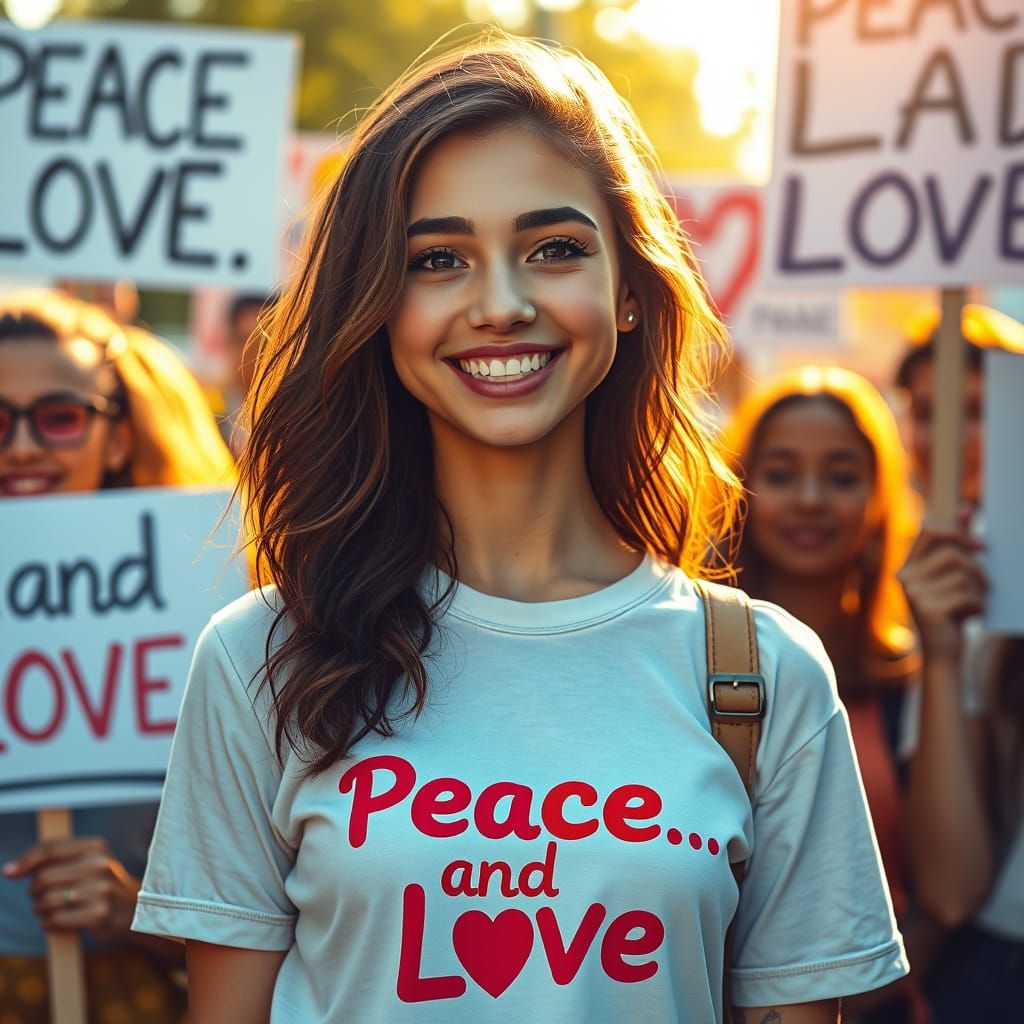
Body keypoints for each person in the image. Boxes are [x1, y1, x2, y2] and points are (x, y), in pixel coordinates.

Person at [133, 33, 908, 1023]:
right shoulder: (262, 658)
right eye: (438, 259)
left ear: (627, 291)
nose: (499, 304)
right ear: (378, 305)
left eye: (554, 249)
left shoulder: (760, 675)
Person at [0, 289, 236, 1023]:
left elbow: (266, 916)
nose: (25, 446)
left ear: (120, 437)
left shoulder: (210, 617)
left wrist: (133, 908)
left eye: (61, 417)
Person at [722, 366, 934, 1024]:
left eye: (842, 476)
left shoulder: (914, 678)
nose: (811, 499)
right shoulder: (688, 665)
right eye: (781, 474)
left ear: (879, 497)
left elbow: (949, 896)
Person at [895, 309, 1024, 1021]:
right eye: (927, 412)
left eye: (977, 412)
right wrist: (942, 657)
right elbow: (950, 888)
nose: (950, 440)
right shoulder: (946, 594)